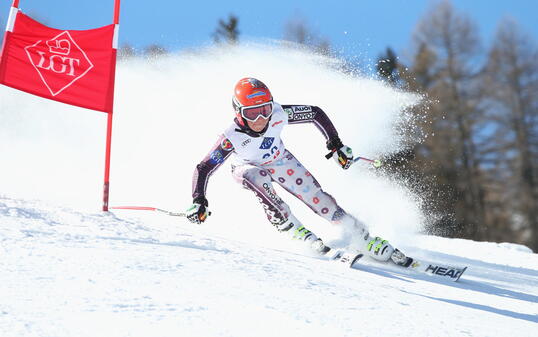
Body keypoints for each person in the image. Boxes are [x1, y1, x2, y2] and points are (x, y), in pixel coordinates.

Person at [187, 77, 409, 265]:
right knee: (258, 176)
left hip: (279, 159)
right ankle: (289, 226)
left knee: (319, 199)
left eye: (264, 110)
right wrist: (199, 200)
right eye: (252, 113)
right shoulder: (230, 138)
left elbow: (315, 113)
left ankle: (362, 237)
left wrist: (336, 144)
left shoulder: (278, 113)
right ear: (239, 113)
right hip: (246, 168)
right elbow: (204, 167)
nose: (261, 119)